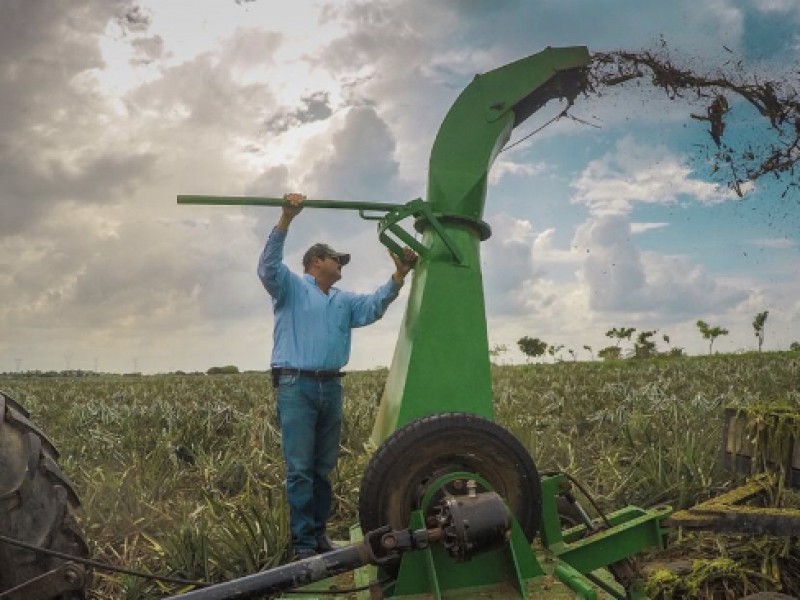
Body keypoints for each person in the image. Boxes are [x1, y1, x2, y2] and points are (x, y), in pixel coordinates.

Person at [257, 192, 416, 559]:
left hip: (331, 385)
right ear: (315, 262)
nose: (341, 263)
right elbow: (267, 267)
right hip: (296, 384)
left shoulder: (343, 301)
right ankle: (302, 546)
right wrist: (286, 218)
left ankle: (319, 537)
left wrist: (398, 277)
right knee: (300, 469)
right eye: (336, 258)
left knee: (323, 469)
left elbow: (374, 306)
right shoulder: (291, 288)